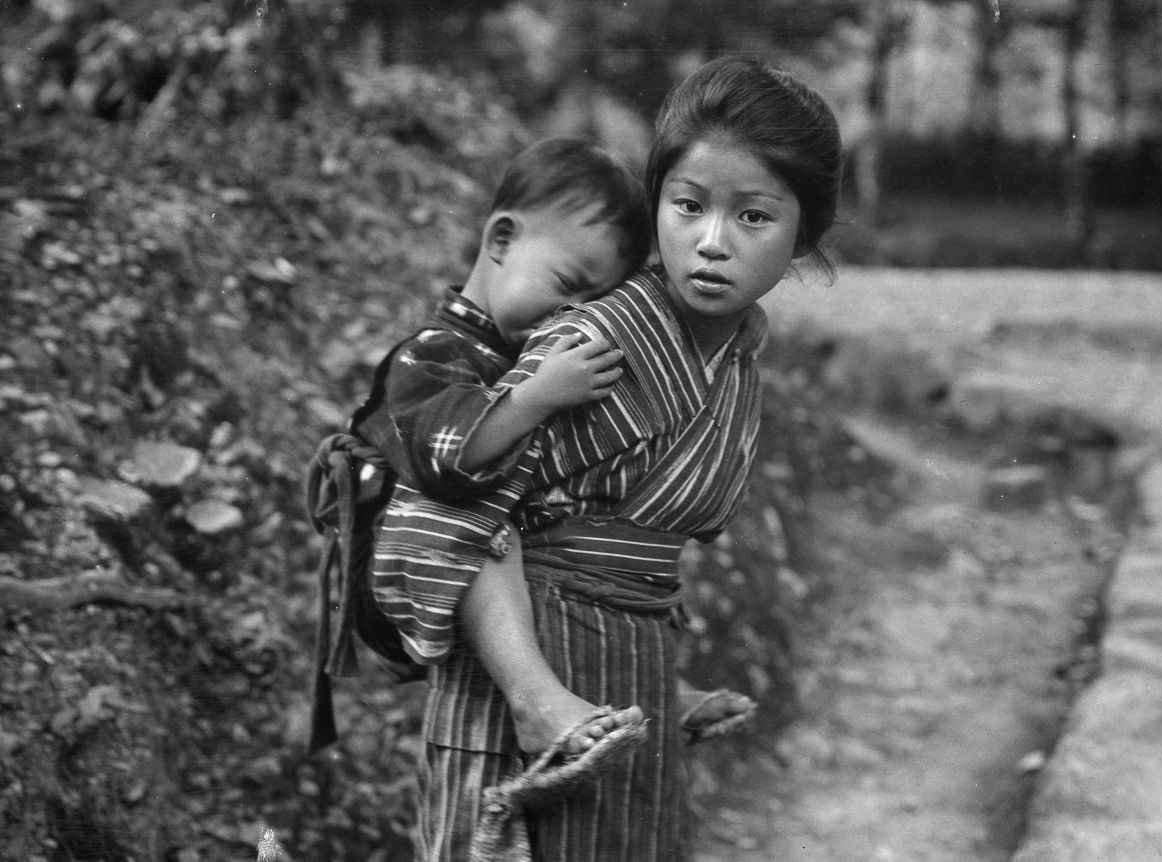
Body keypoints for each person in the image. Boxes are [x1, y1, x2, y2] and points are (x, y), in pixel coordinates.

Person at [414, 55, 845, 861]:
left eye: (753, 217)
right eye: (688, 206)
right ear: (657, 210)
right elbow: (448, 505)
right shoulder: (593, 343)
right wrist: (533, 693)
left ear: (803, 236)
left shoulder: (740, 356)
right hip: (523, 678)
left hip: (630, 678)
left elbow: (639, 544)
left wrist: (661, 689)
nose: (711, 242)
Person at [349, 137, 656, 758]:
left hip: (463, 556)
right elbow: (446, 462)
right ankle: (533, 702)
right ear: (501, 241)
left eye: (593, 303)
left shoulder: (512, 354)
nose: (574, 314)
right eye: (568, 285)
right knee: (491, 522)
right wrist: (536, 398)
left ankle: (656, 687)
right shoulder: (431, 352)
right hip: (400, 562)